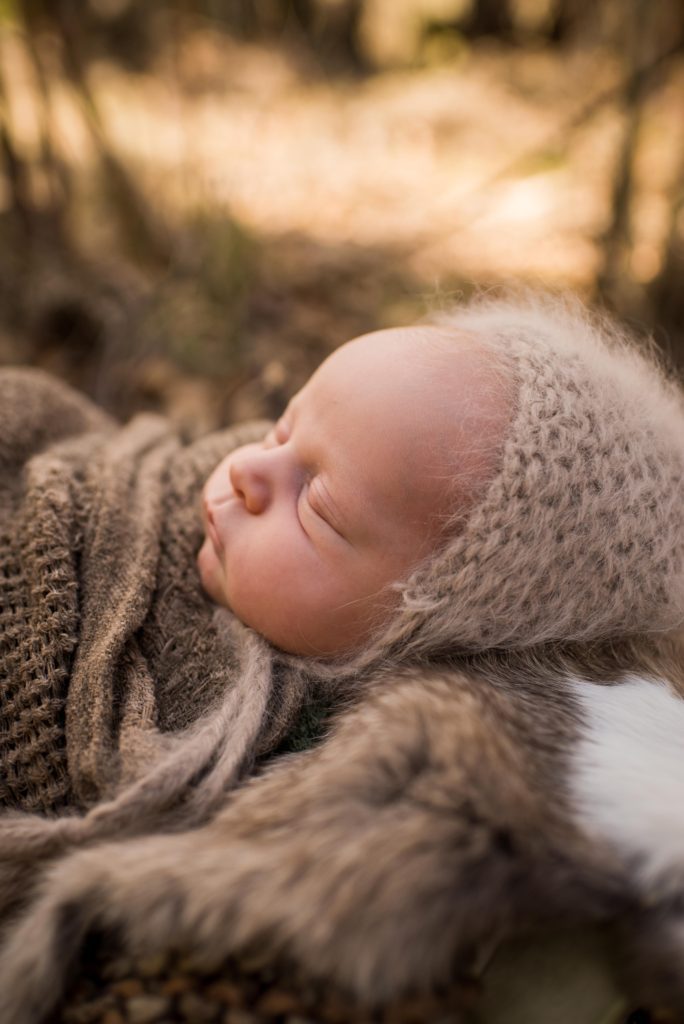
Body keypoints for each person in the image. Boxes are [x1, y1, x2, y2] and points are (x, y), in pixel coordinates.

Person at [0, 293, 683, 1024]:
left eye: (318, 508)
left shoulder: (356, 746)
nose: (249, 472)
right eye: (282, 426)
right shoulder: (174, 491)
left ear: (433, 622)